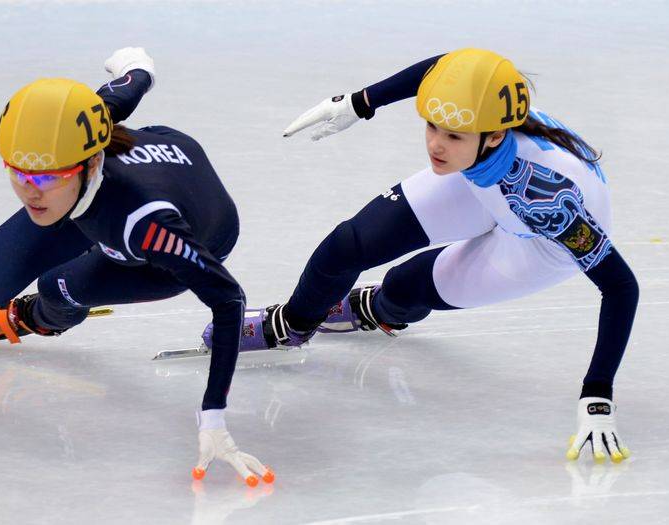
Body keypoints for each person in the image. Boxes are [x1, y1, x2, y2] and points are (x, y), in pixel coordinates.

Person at [0, 48, 273, 486]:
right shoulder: (72, 144)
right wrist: (137, 67)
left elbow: (227, 299)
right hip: (85, 198)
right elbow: (124, 89)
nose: (30, 192)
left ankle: (32, 316)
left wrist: (213, 417)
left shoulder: (147, 226)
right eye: (17, 173)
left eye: (42, 177)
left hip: (180, 242)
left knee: (58, 286)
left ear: (90, 162)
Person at [203, 48, 638, 463]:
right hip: (481, 176)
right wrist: (360, 102)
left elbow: (621, 287)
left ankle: (376, 310)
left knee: (405, 286)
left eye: (452, 135)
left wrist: (597, 394)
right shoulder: (478, 119)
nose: (435, 145)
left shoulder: (551, 201)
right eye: (432, 126)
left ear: (495, 135)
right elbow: (444, 68)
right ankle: (293, 325)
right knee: (348, 245)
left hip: (537, 243)